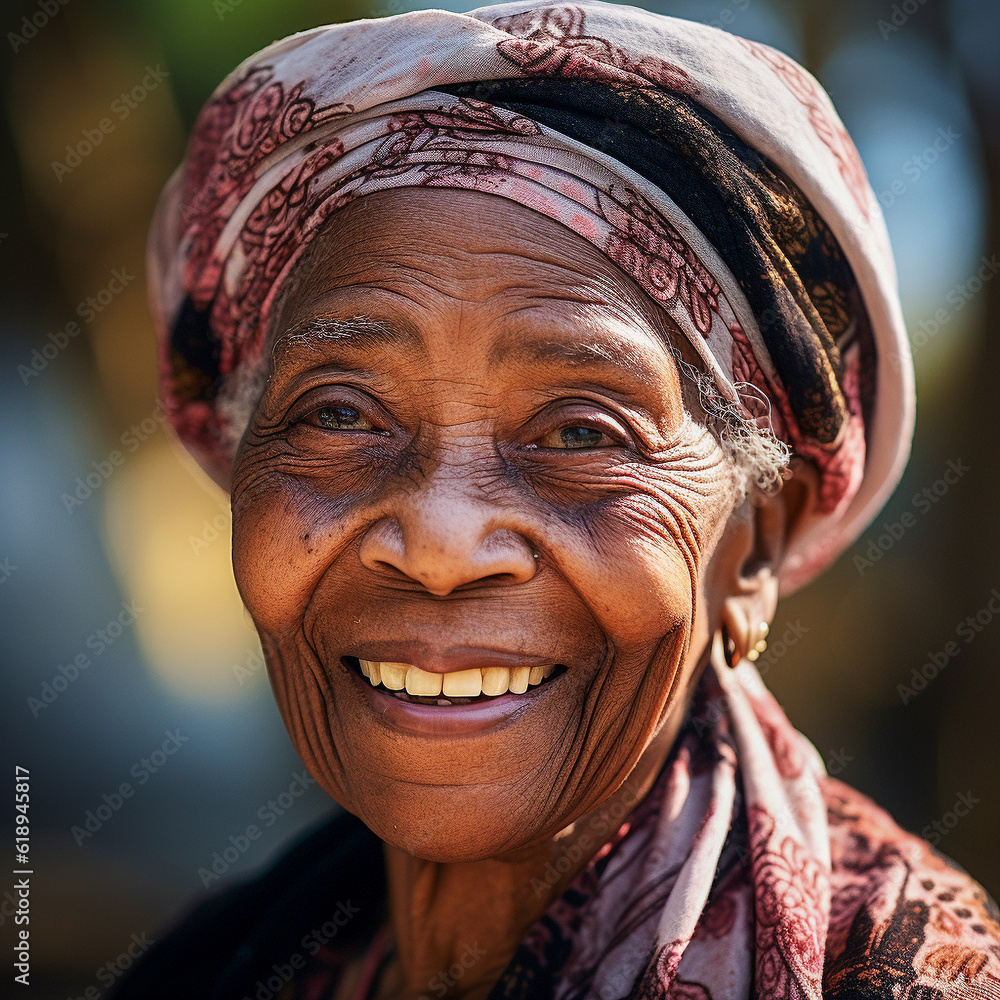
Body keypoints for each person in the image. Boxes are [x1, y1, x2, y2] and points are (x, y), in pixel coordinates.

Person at [113, 2, 1000, 997]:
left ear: (755, 545)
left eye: (581, 434)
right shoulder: (215, 966)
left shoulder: (900, 973)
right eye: (339, 415)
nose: (440, 543)